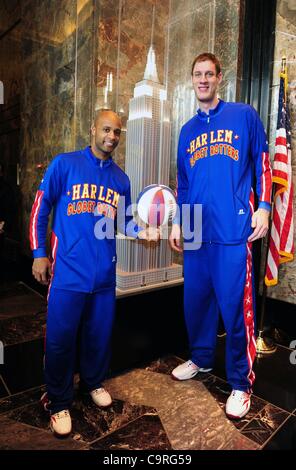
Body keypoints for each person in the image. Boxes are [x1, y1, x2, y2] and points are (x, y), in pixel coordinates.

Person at [29, 109, 159, 436]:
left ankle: (93, 382)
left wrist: (142, 231)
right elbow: (40, 208)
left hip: (103, 277)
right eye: (106, 130)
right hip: (68, 273)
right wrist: (39, 253)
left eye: (117, 132)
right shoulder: (65, 164)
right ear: (93, 130)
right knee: (60, 340)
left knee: (98, 336)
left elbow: (125, 220)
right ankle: (58, 401)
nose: (111, 137)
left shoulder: (120, 179)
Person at [169, 53, 272, 419]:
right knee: (195, 302)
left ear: (218, 78)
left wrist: (264, 206)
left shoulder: (243, 115)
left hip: (232, 228)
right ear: (191, 79)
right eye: (197, 74)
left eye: (209, 74)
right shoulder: (185, 131)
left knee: (234, 310)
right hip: (196, 229)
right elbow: (183, 183)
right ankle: (200, 359)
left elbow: (262, 161)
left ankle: (241, 384)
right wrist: (180, 221)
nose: (203, 80)